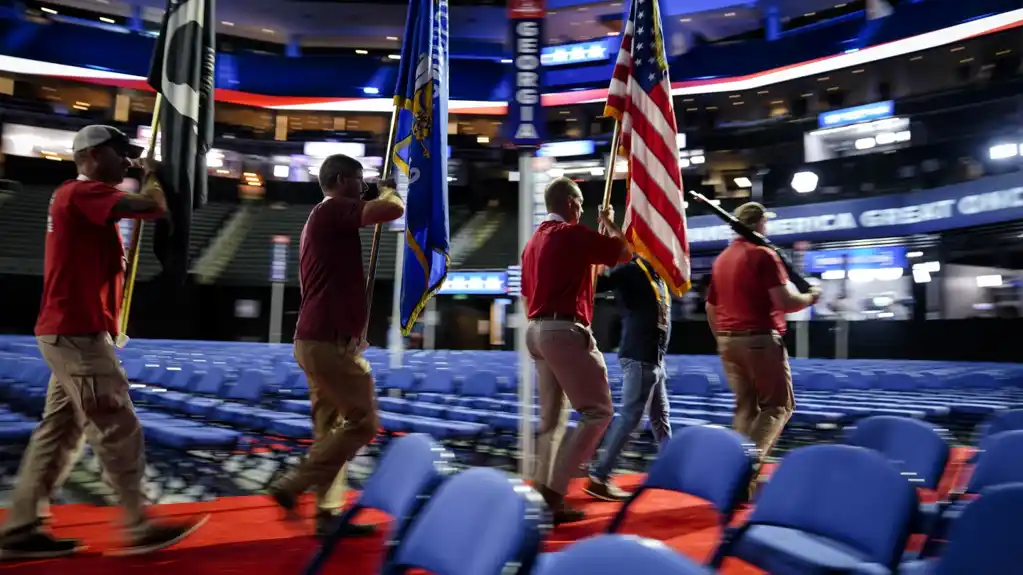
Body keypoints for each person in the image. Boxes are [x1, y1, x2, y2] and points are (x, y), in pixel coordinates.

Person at [0, 125, 208, 559]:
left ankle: (20, 529)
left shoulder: (78, 197)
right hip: (76, 333)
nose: (127, 161)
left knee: (59, 432)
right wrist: (151, 174)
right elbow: (152, 207)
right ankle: (137, 524)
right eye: (120, 153)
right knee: (117, 424)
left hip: (71, 331)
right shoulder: (82, 192)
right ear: (93, 154)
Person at [267, 154, 404, 538]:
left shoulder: (323, 219)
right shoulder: (330, 211)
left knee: (330, 428)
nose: (362, 188)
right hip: (326, 341)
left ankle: (327, 514)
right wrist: (389, 188)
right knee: (363, 422)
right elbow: (392, 209)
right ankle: (294, 483)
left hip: (318, 339)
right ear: (341, 180)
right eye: (359, 181)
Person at [521, 177, 630, 524]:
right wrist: (609, 223)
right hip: (563, 329)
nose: (582, 210)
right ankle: (554, 493)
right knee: (599, 411)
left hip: (536, 330)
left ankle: (542, 488)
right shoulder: (572, 233)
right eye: (580, 204)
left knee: (552, 420)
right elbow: (624, 253)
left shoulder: (533, 241)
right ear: (570, 202)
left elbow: (528, 289)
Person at [705, 202, 820, 498]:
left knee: (745, 407)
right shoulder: (763, 255)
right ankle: (743, 474)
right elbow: (785, 301)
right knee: (778, 406)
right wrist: (811, 296)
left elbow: (711, 306)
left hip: (729, 341)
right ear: (759, 224)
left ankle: (733, 479)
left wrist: (722, 338)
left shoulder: (722, 259)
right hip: (759, 339)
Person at [585, 255, 672, 501]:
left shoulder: (657, 276)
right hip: (641, 355)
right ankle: (600, 476)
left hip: (655, 358)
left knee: (660, 418)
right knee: (632, 418)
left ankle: (672, 468)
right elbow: (600, 283)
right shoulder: (632, 270)